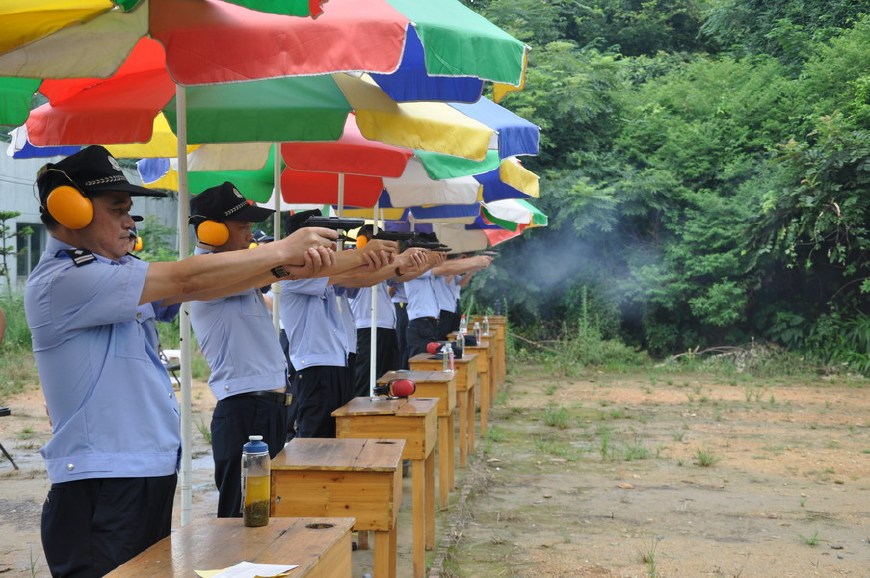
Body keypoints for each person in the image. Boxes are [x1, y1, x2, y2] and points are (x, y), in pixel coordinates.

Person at [25, 146, 339, 577]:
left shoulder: (108, 273)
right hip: (103, 482)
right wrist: (280, 251)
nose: (129, 222)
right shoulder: (65, 279)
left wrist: (282, 267)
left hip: (140, 473)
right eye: (117, 209)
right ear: (69, 209)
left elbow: (192, 289)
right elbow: (187, 277)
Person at [280, 212, 403, 438]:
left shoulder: (323, 272)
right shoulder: (292, 272)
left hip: (338, 361)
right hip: (315, 366)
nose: (332, 248)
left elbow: (361, 278)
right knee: (314, 439)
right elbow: (352, 275)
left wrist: (396, 264)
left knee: (339, 436)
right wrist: (367, 256)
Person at [349, 226, 429, 397]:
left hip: (383, 327)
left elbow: (401, 276)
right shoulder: (357, 262)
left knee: (387, 381)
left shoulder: (381, 265)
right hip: (367, 328)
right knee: (366, 381)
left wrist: (420, 262)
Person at [405, 246, 494, 358]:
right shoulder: (417, 269)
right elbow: (448, 270)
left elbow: (456, 275)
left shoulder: (429, 271)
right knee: (420, 358)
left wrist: (472, 267)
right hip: (421, 322)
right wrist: (473, 262)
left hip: (431, 321)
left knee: (437, 355)